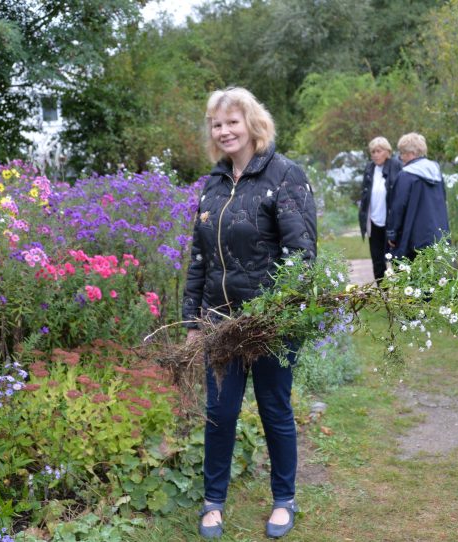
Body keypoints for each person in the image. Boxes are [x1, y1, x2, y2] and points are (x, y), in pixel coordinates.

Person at [182, 87, 317, 539]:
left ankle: (284, 498)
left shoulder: (284, 176)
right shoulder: (213, 185)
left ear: (252, 123)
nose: (224, 131)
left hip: (269, 324)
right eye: (217, 124)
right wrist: (191, 323)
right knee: (219, 412)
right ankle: (213, 502)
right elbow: (199, 261)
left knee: (274, 408)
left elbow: (301, 256)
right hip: (219, 321)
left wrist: (271, 315)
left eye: (232, 122)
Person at [386, 132, 450, 260]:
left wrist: (392, 235)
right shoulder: (436, 172)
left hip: (413, 240)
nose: (401, 158)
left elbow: (398, 208)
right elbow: (443, 201)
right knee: (435, 277)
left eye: (402, 153)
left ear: (411, 153)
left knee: (415, 277)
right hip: (438, 236)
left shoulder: (406, 175)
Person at [357, 136, 402, 283]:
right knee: (377, 260)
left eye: (379, 151)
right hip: (374, 221)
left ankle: (403, 292)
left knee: (397, 259)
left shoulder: (396, 166)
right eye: (373, 152)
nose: (375, 154)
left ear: (387, 152)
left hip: (391, 222)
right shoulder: (370, 168)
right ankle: (384, 294)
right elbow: (365, 195)